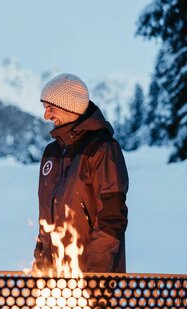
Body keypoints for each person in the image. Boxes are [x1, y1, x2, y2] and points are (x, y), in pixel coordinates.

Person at [33, 73, 129, 274]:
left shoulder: (102, 149)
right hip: (54, 279)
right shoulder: (51, 153)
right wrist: (41, 268)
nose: (46, 116)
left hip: (90, 276)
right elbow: (46, 222)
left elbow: (111, 219)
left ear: (71, 106)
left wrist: (95, 276)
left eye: (51, 108)